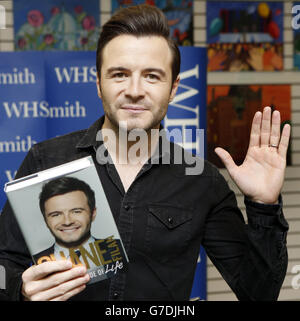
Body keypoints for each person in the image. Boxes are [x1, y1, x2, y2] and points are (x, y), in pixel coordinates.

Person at [0, 4, 290, 301]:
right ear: (99, 84)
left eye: (152, 76)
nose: (135, 90)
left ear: (173, 88)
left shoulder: (202, 181)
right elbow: (4, 264)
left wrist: (263, 205)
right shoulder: (46, 160)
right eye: (119, 74)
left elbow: (260, 293)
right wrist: (19, 289)